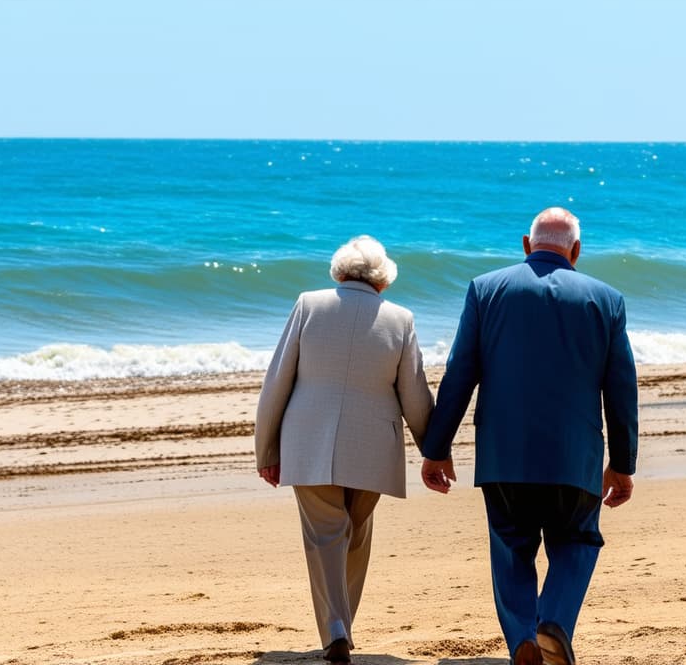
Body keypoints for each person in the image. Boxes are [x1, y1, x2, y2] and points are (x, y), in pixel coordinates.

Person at [420, 207, 638, 665]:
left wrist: (437, 449)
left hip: (505, 455)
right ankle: (553, 626)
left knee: (511, 544)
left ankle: (522, 637)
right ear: (576, 251)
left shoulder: (486, 289)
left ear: (526, 244)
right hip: (573, 455)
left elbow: (460, 374)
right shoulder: (607, 299)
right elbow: (621, 388)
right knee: (577, 541)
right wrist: (622, 463)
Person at [255, 235, 434, 665]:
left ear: (339, 271)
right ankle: (342, 625)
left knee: (325, 535)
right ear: (384, 279)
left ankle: (336, 629)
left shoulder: (309, 304)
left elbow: (277, 380)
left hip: (308, 439)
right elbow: (415, 395)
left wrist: (266, 450)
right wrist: (434, 450)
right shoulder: (400, 319)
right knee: (355, 533)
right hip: (374, 445)